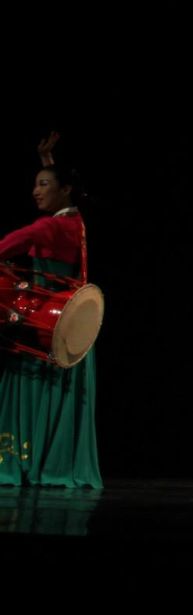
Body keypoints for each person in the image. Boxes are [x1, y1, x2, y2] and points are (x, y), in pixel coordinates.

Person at [0, 133, 100, 488]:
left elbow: (6, 246)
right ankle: (50, 462)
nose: (35, 191)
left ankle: (26, 464)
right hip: (68, 326)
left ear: (66, 189)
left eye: (43, 185)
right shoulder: (76, 222)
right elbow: (61, 195)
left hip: (44, 324)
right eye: (35, 185)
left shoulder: (49, 226)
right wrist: (49, 165)